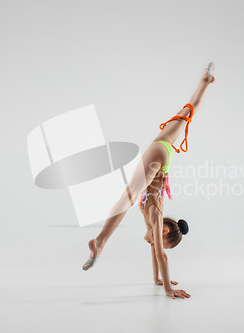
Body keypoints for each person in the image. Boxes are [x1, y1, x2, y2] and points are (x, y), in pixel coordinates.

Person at [82, 63, 216, 300]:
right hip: (159, 157)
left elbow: (156, 254)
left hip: (162, 148)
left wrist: (157, 278)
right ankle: (100, 242)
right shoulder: (154, 217)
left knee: (187, 112)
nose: (153, 244)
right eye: (158, 241)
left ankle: (204, 81)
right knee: (129, 196)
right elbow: (162, 256)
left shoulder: (153, 222)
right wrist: (168, 288)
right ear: (163, 230)